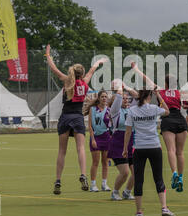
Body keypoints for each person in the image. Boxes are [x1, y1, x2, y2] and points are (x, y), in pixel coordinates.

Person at [131, 62, 188, 193]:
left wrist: (136, 69)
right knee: (180, 152)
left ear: (165, 83)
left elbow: (146, 79)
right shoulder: (179, 92)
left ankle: (175, 173)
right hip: (180, 121)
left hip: (168, 119)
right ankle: (181, 178)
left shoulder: (160, 90)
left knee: (171, 150)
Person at [45, 44, 107, 194]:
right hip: (78, 117)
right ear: (82, 72)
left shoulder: (67, 81)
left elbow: (53, 68)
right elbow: (93, 69)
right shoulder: (84, 82)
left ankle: (58, 180)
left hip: (66, 116)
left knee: (62, 151)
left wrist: (48, 55)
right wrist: (99, 62)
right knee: (80, 148)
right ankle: (83, 175)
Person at [123, 89, 174, 216]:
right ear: (149, 97)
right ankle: (164, 207)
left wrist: (125, 148)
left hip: (139, 148)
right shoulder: (154, 108)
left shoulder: (132, 110)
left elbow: (128, 131)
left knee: (138, 180)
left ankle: (139, 212)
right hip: (154, 146)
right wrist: (159, 96)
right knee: (158, 178)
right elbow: (167, 111)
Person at [108, 80, 137, 201]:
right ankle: (115, 192)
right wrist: (119, 86)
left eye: (127, 98)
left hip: (132, 142)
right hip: (118, 142)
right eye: (124, 98)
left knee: (137, 172)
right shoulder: (115, 111)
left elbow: (138, 96)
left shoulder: (132, 109)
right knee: (125, 172)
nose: (126, 100)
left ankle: (127, 192)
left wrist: (127, 87)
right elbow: (119, 96)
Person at [85, 90, 111, 192]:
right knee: (95, 162)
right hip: (96, 137)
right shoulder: (93, 109)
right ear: (99, 98)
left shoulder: (109, 110)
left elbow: (111, 124)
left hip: (106, 137)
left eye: (106, 97)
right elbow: (90, 125)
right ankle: (93, 184)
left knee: (105, 162)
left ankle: (104, 184)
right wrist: (93, 139)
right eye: (102, 97)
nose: (104, 98)